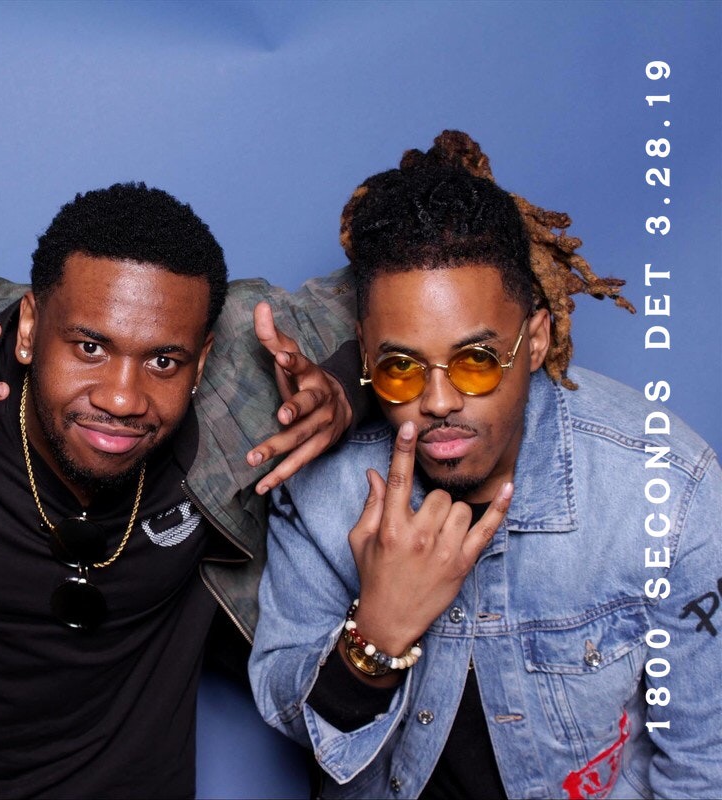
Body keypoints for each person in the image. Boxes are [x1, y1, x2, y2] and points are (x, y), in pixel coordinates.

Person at [250, 131, 722, 799]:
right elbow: (287, 708)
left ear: (536, 340)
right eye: (401, 366)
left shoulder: (664, 491)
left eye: (476, 360)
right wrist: (375, 637)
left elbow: (705, 765)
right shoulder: (323, 487)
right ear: (364, 355)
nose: (438, 401)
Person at [0, 182, 362, 798]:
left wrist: (345, 390)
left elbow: (401, 307)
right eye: (90, 348)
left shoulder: (251, 351)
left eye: (163, 362)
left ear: (202, 359)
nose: (122, 399)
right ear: (29, 327)